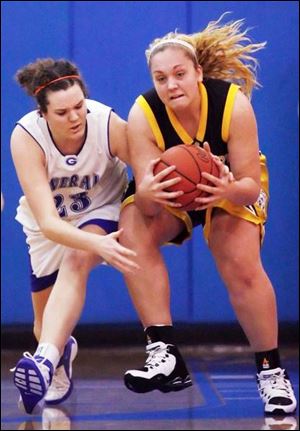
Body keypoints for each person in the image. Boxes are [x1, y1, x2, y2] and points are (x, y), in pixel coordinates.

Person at [119, 16, 297, 414]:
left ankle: (271, 372)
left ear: (198, 72)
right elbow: (148, 206)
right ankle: (163, 351)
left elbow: (250, 182)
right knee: (131, 228)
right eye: (161, 78)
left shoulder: (233, 104)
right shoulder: (143, 113)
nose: (171, 85)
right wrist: (148, 192)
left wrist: (226, 190)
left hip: (232, 185)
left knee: (239, 262)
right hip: (174, 194)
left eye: (180, 74)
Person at [11, 58, 139, 414]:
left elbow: (147, 169)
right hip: (49, 223)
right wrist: (96, 244)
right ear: (43, 114)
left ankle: (44, 362)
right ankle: (59, 353)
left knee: (77, 258)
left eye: (79, 106)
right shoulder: (26, 137)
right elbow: (50, 224)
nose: (75, 117)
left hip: (102, 205)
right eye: (63, 111)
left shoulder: (108, 124)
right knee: (45, 323)